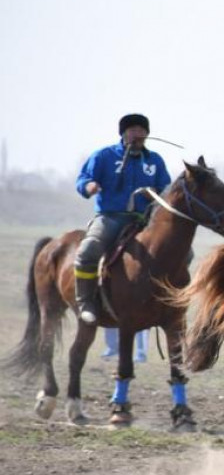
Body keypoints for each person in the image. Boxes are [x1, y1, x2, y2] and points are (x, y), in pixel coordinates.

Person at [74, 113, 172, 324]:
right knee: (88, 251)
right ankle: (86, 302)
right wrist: (88, 186)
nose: (138, 135)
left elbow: (167, 189)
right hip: (111, 217)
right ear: (124, 134)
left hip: (145, 220)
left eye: (142, 131)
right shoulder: (104, 156)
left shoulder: (154, 160)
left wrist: (155, 192)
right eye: (133, 130)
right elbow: (83, 178)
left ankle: (165, 301)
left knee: (184, 252)